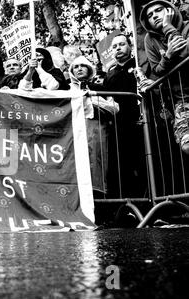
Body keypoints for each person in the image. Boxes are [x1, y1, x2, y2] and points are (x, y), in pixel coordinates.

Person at [103, 33, 154, 198]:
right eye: (115, 46)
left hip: (140, 121)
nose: (118, 48)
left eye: (121, 44)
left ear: (130, 46)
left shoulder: (140, 65)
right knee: (122, 165)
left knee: (144, 163)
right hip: (118, 126)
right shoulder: (110, 73)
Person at [140, 0, 189, 154]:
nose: (154, 16)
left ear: (170, 10)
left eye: (158, 10)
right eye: (150, 15)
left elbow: (185, 51)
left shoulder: (187, 26)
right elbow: (157, 70)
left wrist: (168, 26)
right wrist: (167, 56)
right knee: (186, 144)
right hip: (182, 98)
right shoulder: (149, 39)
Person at [69, 55, 119, 196]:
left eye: (82, 66)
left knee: (97, 163)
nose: (79, 69)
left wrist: (91, 99)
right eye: (76, 67)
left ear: (89, 69)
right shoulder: (67, 89)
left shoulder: (100, 88)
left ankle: (99, 198)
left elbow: (114, 107)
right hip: (74, 132)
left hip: (96, 130)